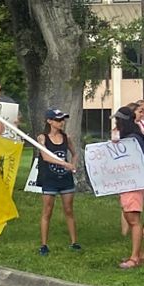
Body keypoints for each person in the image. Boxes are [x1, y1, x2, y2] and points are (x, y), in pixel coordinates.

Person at [112, 105, 144, 269]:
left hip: (133, 182)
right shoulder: (134, 137)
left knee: (133, 219)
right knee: (129, 216)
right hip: (130, 182)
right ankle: (140, 253)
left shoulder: (132, 139)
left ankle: (134, 258)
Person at [35, 109, 81, 255]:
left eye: (62, 120)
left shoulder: (66, 138)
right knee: (47, 211)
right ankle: (44, 245)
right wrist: (65, 164)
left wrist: (72, 164)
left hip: (65, 179)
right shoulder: (42, 138)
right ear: (49, 121)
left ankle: (74, 242)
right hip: (49, 179)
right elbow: (46, 157)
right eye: (58, 120)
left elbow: (74, 153)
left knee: (69, 210)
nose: (61, 123)